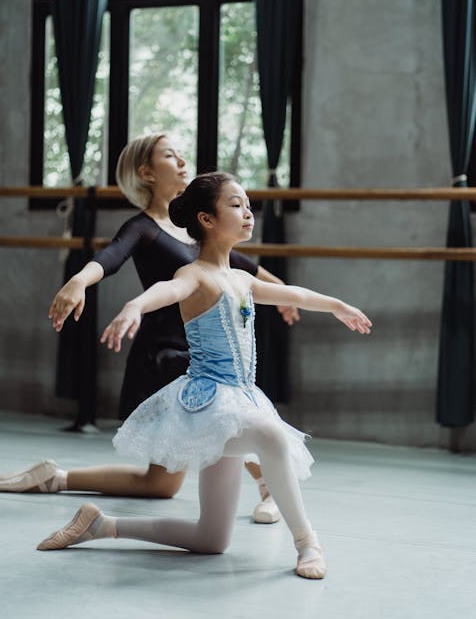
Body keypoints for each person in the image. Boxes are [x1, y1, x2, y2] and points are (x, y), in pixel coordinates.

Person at [35, 172, 372, 579]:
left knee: (210, 539)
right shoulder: (194, 275)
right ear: (207, 220)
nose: (248, 211)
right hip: (208, 405)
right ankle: (308, 543)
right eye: (235, 204)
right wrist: (135, 307)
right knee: (270, 435)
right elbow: (164, 291)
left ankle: (101, 525)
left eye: (248, 204)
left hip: (241, 401)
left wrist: (339, 305)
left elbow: (296, 295)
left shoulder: (243, 279)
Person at [0, 134, 299, 523]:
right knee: (229, 414)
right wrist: (80, 281)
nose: (183, 161)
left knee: (161, 484)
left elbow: (245, 269)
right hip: (167, 358)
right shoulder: (144, 227)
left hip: (197, 358)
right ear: (147, 172)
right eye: (170, 156)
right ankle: (269, 483)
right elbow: (110, 256)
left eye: (183, 154)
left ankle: (55, 477)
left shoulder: (198, 231)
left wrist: (285, 295)